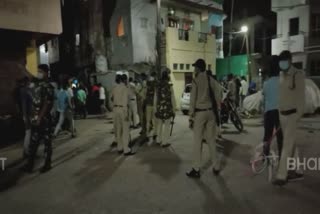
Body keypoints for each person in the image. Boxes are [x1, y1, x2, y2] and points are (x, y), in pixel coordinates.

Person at [273, 50, 305, 186]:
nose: (282, 64)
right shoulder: (281, 74)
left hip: (292, 115)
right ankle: (298, 169)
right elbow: (281, 95)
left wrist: (298, 115)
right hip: (283, 115)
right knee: (292, 143)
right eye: (281, 61)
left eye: (284, 60)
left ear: (290, 61)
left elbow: (301, 98)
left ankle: (282, 175)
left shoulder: (298, 74)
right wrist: (279, 111)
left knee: (286, 145)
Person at [186, 59, 221, 178]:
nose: (194, 69)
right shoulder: (211, 79)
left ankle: (196, 169)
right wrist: (217, 104)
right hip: (210, 112)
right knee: (211, 140)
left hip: (200, 113)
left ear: (199, 68)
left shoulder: (196, 81)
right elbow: (219, 92)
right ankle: (216, 167)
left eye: (195, 67)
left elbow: (192, 99)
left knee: (197, 141)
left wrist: (190, 115)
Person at [22, 64, 54, 173]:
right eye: (38, 71)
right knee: (33, 143)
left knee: (46, 142)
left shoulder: (48, 86)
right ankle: (30, 165)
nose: (38, 73)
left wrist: (40, 117)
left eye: (40, 71)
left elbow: (47, 103)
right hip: (36, 118)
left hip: (44, 119)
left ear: (46, 73)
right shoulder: (36, 84)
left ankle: (47, 164)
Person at [262, 55, 283, 157]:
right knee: (280, 136)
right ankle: (281, 157)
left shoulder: (266, 83)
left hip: (268, 112)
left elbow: (264, 99)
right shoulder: (283, 81)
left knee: (267, 135)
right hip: (280, 112)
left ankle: (265, 155)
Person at [111, 74, 135, 156]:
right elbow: (125, 100)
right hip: (122, 110)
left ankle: (119, 148)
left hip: (115, 109)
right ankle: (126, 150)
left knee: (118, 130)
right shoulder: (125, 88)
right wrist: (126, 114)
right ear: (124, 80)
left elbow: (112, 98)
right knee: (125, 130)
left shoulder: (115, 88)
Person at [154, 71, 176, 147]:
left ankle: (158, 140)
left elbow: (155, 98)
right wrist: (174, 109)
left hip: (159, 108)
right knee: (167, 125)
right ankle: (165, 142)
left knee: (159, 124)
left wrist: (155, 109)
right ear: (167, 77)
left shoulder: (158, 86)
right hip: (167, 108)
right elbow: (172, 98)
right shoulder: (170, 85)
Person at [145, 71, 158, 141]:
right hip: (154, 104)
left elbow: (146, 93)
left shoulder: (148, 82)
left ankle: (147, 134)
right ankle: (155, 134)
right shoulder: (156, 83)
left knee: (148, 120)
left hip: (148, 104)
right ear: (155, 75)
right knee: (154, 120)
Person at [136, 73, 147, 137]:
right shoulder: (146, 83)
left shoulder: (142, 84)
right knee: (144, 116)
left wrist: (138, 93)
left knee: (141, 116)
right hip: (145, 101)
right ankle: (145, 128)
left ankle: (143, 129)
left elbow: (137, 91)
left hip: (141, 100)